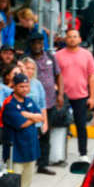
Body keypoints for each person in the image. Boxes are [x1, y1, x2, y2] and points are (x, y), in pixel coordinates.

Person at [0, 73, 44, 187]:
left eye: (27, 86)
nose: (25, 89)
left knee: (27, 182)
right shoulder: (9, 103)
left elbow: (41, 117)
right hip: (16, 151)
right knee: (13, 184)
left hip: (31, 150)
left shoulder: (29, 101)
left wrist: (26, 114)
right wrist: (32, 117)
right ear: (14, 86)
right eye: (21, 86)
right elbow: (21, 124)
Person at [55, 29, 94, 162]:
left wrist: (92, 97)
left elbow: (92, 76)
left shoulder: (87, 55)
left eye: (75, 37)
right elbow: (54, 76)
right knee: (60, 125)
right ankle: (58, 154)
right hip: (62, 96)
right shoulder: (58, 55)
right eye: (69, 37)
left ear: (79, 39)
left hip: (81, 96)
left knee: (81, 125)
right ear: (65, 39)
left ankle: (83, 154)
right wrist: (57, 92)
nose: (72, 39)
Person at [26, 32, 64, 176]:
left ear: (43, 44)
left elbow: (58, 75)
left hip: (48, 102)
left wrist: (60, 94)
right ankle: (29, 162)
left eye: (40, 43)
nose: (37, 45)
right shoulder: (26, 59)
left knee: (45, 133)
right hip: (30, 103)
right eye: (34, 43)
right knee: (31, 134)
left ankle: (43, 164)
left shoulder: (50, 57)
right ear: (30, 44)